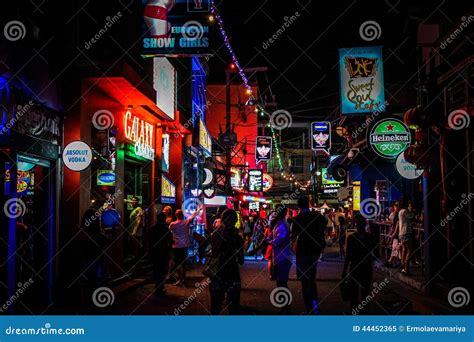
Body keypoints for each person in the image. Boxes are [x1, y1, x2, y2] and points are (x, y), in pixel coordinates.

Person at [291, 196, 327, 314]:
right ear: (309, 204)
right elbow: (325, 222)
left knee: (304, 281)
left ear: (298, 206)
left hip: (302, 252)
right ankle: (315, 305)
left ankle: (309, 308)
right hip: (315, 251)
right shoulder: (317, 216)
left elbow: (293, 237)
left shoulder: (297, 219)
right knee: (311, 278)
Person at [207, 209, 244, 314]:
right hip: (233, 274)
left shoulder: (216, 235)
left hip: (218, 273)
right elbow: (241, 260)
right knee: (233, 307)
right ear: (235, 220)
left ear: (222, 220)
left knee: (216, 306)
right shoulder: (238, 238)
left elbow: (214, 254)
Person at [342, 213, 377, 311]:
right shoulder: (368, 237)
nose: (358, 225)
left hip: (358, 267)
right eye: (357, 223)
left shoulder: (353, 238)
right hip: (362, 267)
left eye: (358, 223)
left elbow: (348, 256)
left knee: (359, 292)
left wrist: (344, 271)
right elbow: (374, 254)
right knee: (362, 292)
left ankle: (358, 312)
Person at [268, 205, 292, 314]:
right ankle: (285, 306)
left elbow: (277, 241)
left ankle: (286, 307)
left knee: (281, 283)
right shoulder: (279, 224)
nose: (273, 214)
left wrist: (267, 242)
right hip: (280, 257)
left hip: (283, 258)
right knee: (280, 283)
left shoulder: (282, 225)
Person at [169, 209, 200, 285]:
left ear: (175, 215)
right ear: (182, 215)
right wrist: (198, 210)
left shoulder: (173, 224)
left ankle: (179, 279)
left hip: (176, 246)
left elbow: (168, 232)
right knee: (182, 263)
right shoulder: (185, 223)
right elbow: (192, 216)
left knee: (178, 263)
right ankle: (182, 279)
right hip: (184, 246)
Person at [148, 212, 173, 296]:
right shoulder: (166, 229)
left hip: (154, 252)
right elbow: (171, 241)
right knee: (162, 270)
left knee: (156, 269)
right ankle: (160, 287)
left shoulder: (151, 229)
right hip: (163, 252)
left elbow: (148, 241)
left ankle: (157, 285)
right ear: (164, 219)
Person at [395, 200, 414, 274]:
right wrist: (411, 211)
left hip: (401, 233)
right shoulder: (404, 211)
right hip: (406, 232)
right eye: (409, 205)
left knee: (404, 250)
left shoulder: (400, 211)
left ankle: (403, 267)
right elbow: (411, 217)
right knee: (410, 251)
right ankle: (406, 269)